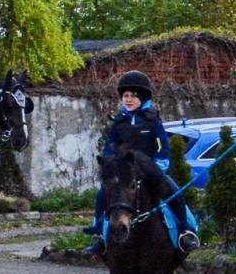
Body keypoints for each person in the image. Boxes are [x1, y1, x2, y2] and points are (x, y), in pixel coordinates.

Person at [83, 70, 199, 256]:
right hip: (124, 174)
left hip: (149, 172)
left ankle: (186, 231)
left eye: (133, 96)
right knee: (102, 195)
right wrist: (110, 165)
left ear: (143, 97)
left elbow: (162, 149)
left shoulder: (152, 122)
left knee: (175, 191)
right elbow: (110, 149)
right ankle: (98, 235)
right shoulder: (119, 123)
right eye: (125, 96)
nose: (128, 100)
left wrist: (158, 168)